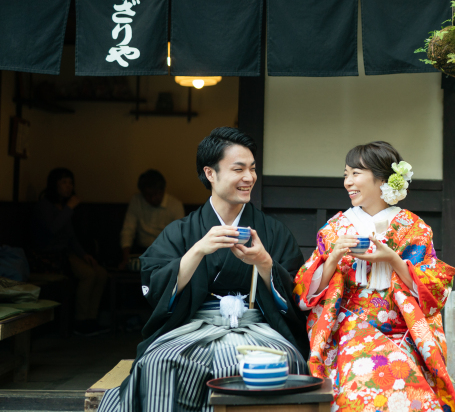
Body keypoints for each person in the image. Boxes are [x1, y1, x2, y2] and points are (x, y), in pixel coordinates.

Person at [98, 127, 309, 412]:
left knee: (279, 361)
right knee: (157, 362)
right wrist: (197, 251)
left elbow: (298, 292)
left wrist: (264, 263)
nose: (249, 178)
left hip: (258, 326)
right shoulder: (182, 231)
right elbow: (155, 283)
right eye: (239, 169)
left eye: (252, 169)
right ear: (210, 173)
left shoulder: (273, 232)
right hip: (191, 326)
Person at [294, 141, 455, 412]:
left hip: (404, 327)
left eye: (356, 173)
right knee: (363, 381)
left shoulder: (413, 228)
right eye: (345, 174)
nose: (348, 182)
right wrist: (333, 257)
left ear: (382, 178)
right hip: (349, 325)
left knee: (413, 384)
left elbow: (434, 291)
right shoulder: (335, 229)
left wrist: (392, 259)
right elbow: (304, 293)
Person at [33, 168, 108, 337]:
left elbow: (71, 237)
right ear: (54, 184)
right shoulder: (44, 205)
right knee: (88, 274)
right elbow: (52, 229)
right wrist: (69, 208)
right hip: (49, 255)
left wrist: (84, 255)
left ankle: (91, 318)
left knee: (101, 273)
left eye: (70, 182)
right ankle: (80, 322)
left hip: (67, 253)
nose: (68, 186)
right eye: (63, 182)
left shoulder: (65, 206)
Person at [118, 169, 185, 270]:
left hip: (166, 254)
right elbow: (128, 231)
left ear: (163, 190)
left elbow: (179, 238)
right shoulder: (137, 201)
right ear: (143, 193)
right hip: (140, 252)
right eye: (149, 195)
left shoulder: (175, 205)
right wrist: (126, 258)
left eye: (156, 194)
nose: (153, 198)